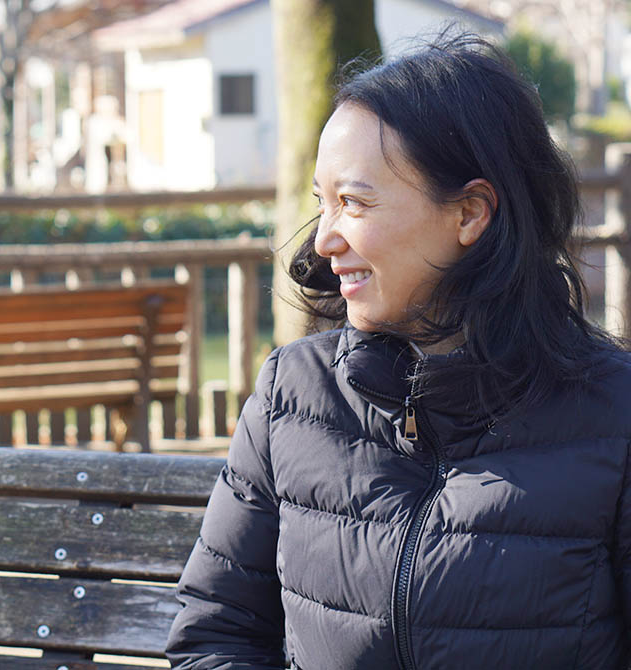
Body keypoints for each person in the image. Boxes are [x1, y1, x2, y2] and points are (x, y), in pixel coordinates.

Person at [165, 34, 631, 670]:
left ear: (469, 213)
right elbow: (215, 638)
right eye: (322, 202)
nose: (324, 240)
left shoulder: (615, 414)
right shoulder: (291, 394)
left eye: (354, 202)